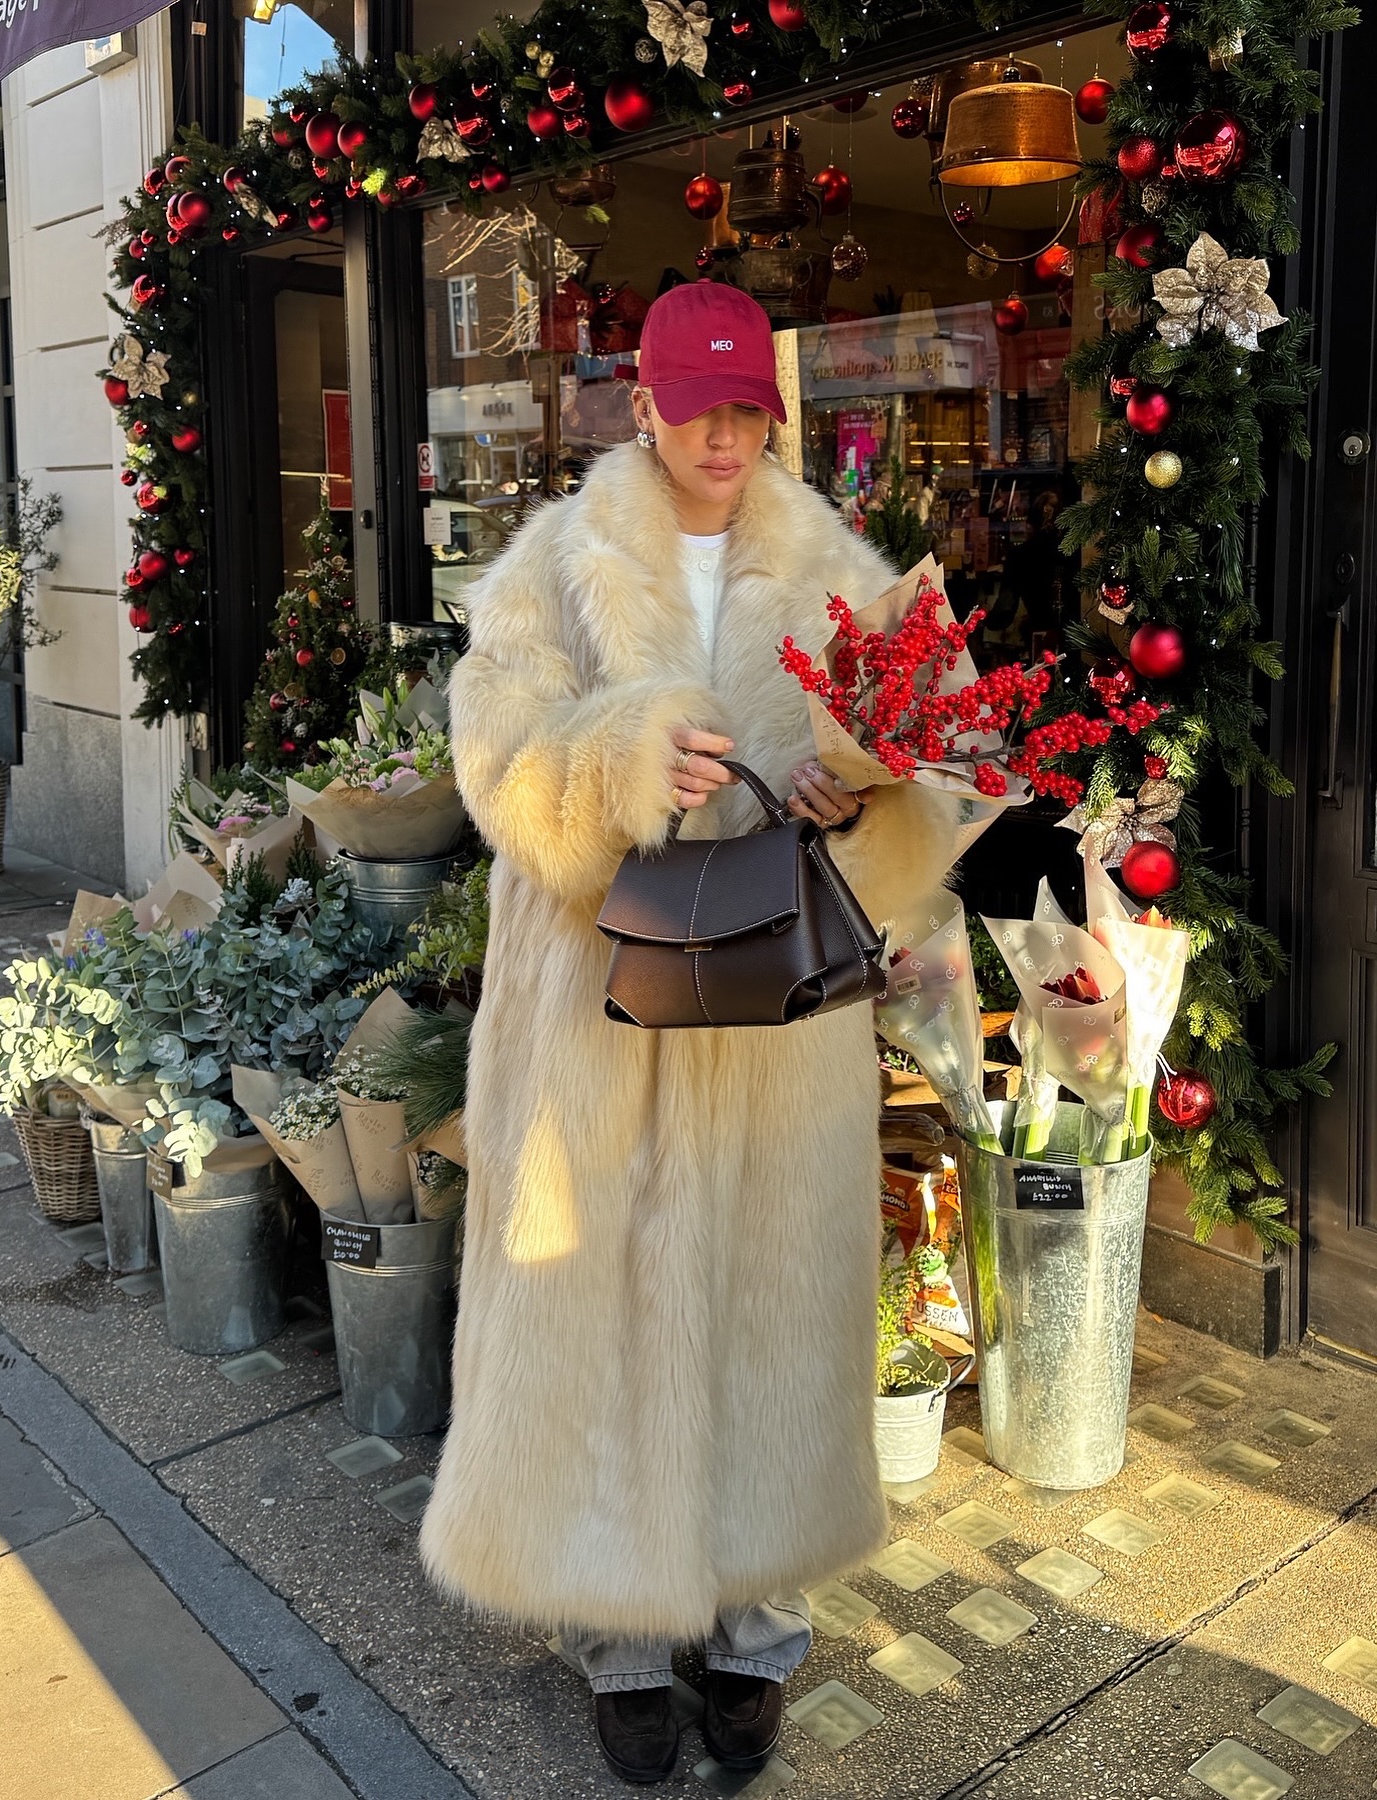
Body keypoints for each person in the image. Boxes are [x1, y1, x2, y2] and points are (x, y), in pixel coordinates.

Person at [420, 283, 960, 1785]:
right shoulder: (556, 564)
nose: (723, 436)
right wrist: (620, 761)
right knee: (599, 1303)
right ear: (644, 402)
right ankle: (617, 1638)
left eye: (747, 410)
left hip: (775, 1018)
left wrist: (865, 798)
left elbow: (923, 779)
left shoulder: (838, 568)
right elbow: (496, 760)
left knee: (767, 1309)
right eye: (697, 405)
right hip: (600, 1006)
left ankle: (756, 1629)